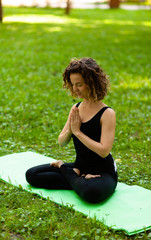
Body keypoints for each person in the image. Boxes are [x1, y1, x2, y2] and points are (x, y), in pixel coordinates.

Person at [26, 58, 118, 203]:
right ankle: (78, 180)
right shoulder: (76, 108)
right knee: (32, 174)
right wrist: (71, 128)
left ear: (92, 82)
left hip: (103, 173)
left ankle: (68, 173)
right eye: (73, 85)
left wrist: (78, 132)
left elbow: (104, 151)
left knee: (91, 193)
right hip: (79, 168)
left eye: (79, 85)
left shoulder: (107, 113)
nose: (75, 89)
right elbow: (62, 142)